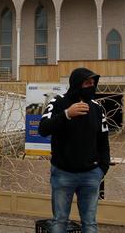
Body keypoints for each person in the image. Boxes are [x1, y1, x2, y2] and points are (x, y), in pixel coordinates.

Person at [38, 68, 110, 233]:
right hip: (63, 174)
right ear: (77, 84)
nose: (91, 86)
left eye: (93, 83)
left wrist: (102, 169)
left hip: (91, 175)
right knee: (60, 222)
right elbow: (43, 129)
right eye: (87, 83)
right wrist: (66, 114)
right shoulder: (58, 102)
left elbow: (103, 140)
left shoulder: (97, 108)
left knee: (90, 224)